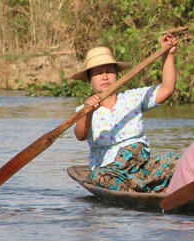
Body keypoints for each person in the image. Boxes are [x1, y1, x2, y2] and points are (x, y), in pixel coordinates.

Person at [72, 34, 180, 192]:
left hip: (139, 167)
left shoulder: (132, 98)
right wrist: (88, 112)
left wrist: (167, 54)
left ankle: (139, 186)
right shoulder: (84, 109)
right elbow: (80, 135)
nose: (105, 76)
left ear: (117, 74)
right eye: (98, 73)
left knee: (175, 161)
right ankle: (148, 187)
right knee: (97, 178)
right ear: (90, 80)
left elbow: (167, 89)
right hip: (110, 173)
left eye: (109, 71)